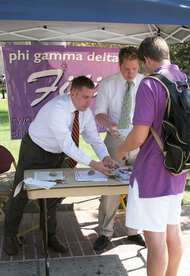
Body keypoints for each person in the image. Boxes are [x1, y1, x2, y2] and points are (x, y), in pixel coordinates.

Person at [3, 76, 119, 256]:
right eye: (85, 97)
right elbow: (68, 145)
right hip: (35, 151)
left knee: (54, 195)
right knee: (21, 194)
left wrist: (105, 157)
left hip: (57, 155)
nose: (89, 102)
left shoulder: (85, 112)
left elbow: (94, 139)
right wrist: (94, 164)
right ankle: (9, 236)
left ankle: (49, 236)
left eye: (91, 97)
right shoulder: (57, 109)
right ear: (72, 93)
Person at [115, 36, 187, 276]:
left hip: (153, 173)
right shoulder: (188, 81)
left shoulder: (149, 84)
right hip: (179, 168)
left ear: (146, 59)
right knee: (173, 231)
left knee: (155, 241)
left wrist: (120, 150)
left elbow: (137, 137)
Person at [93, 46, 145, 250]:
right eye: (126, 69)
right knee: (111, 188)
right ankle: (105, 232)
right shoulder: (108, 84)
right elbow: (99, 113)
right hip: (116, 140)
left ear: (139, 65)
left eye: (134, 68)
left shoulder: (145, 83)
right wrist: (109, 124)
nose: (131, 73)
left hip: (141, 141)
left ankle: (134, 231)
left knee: (138, 187)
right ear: (119, 64)